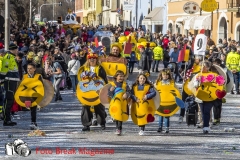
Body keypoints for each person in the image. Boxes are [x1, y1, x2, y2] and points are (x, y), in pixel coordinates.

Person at [80, 52, 108, 131]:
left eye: (94, 58)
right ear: (88, 60)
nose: (92, 60)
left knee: (99, 107)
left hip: (98, 90)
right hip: (86, 90)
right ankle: (86, 124)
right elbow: (79, 80)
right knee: (85, 107)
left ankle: (102, 123)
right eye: (90, 58)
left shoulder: (100, 68)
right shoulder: (83, 68)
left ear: (96, 59)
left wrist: (104, 90)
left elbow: (104, 79)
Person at [108, 70, 130, 135]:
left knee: (120, 116)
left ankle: (119, 129)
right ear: (116, 77)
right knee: (117, 115)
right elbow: (109, 94)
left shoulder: (125, 85)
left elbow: (129, 92)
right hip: (115, 103)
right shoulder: (112, 84)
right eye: (120, 76)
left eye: (123, 76)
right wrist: (111, 91)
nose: (121, 78)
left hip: (122, 103)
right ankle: (118, 128)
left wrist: (127, 94)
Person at [2, 43, 20, 126]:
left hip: (13, 80)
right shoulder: (8, 57)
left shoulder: (12, 57)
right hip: (9, 80)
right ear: (14, 49)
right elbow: (4, 69)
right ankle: (6, 119)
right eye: (16, 49)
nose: (17, 51)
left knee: (11, 100)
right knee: (8, 100)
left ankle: (8, 118)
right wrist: (2, 79)